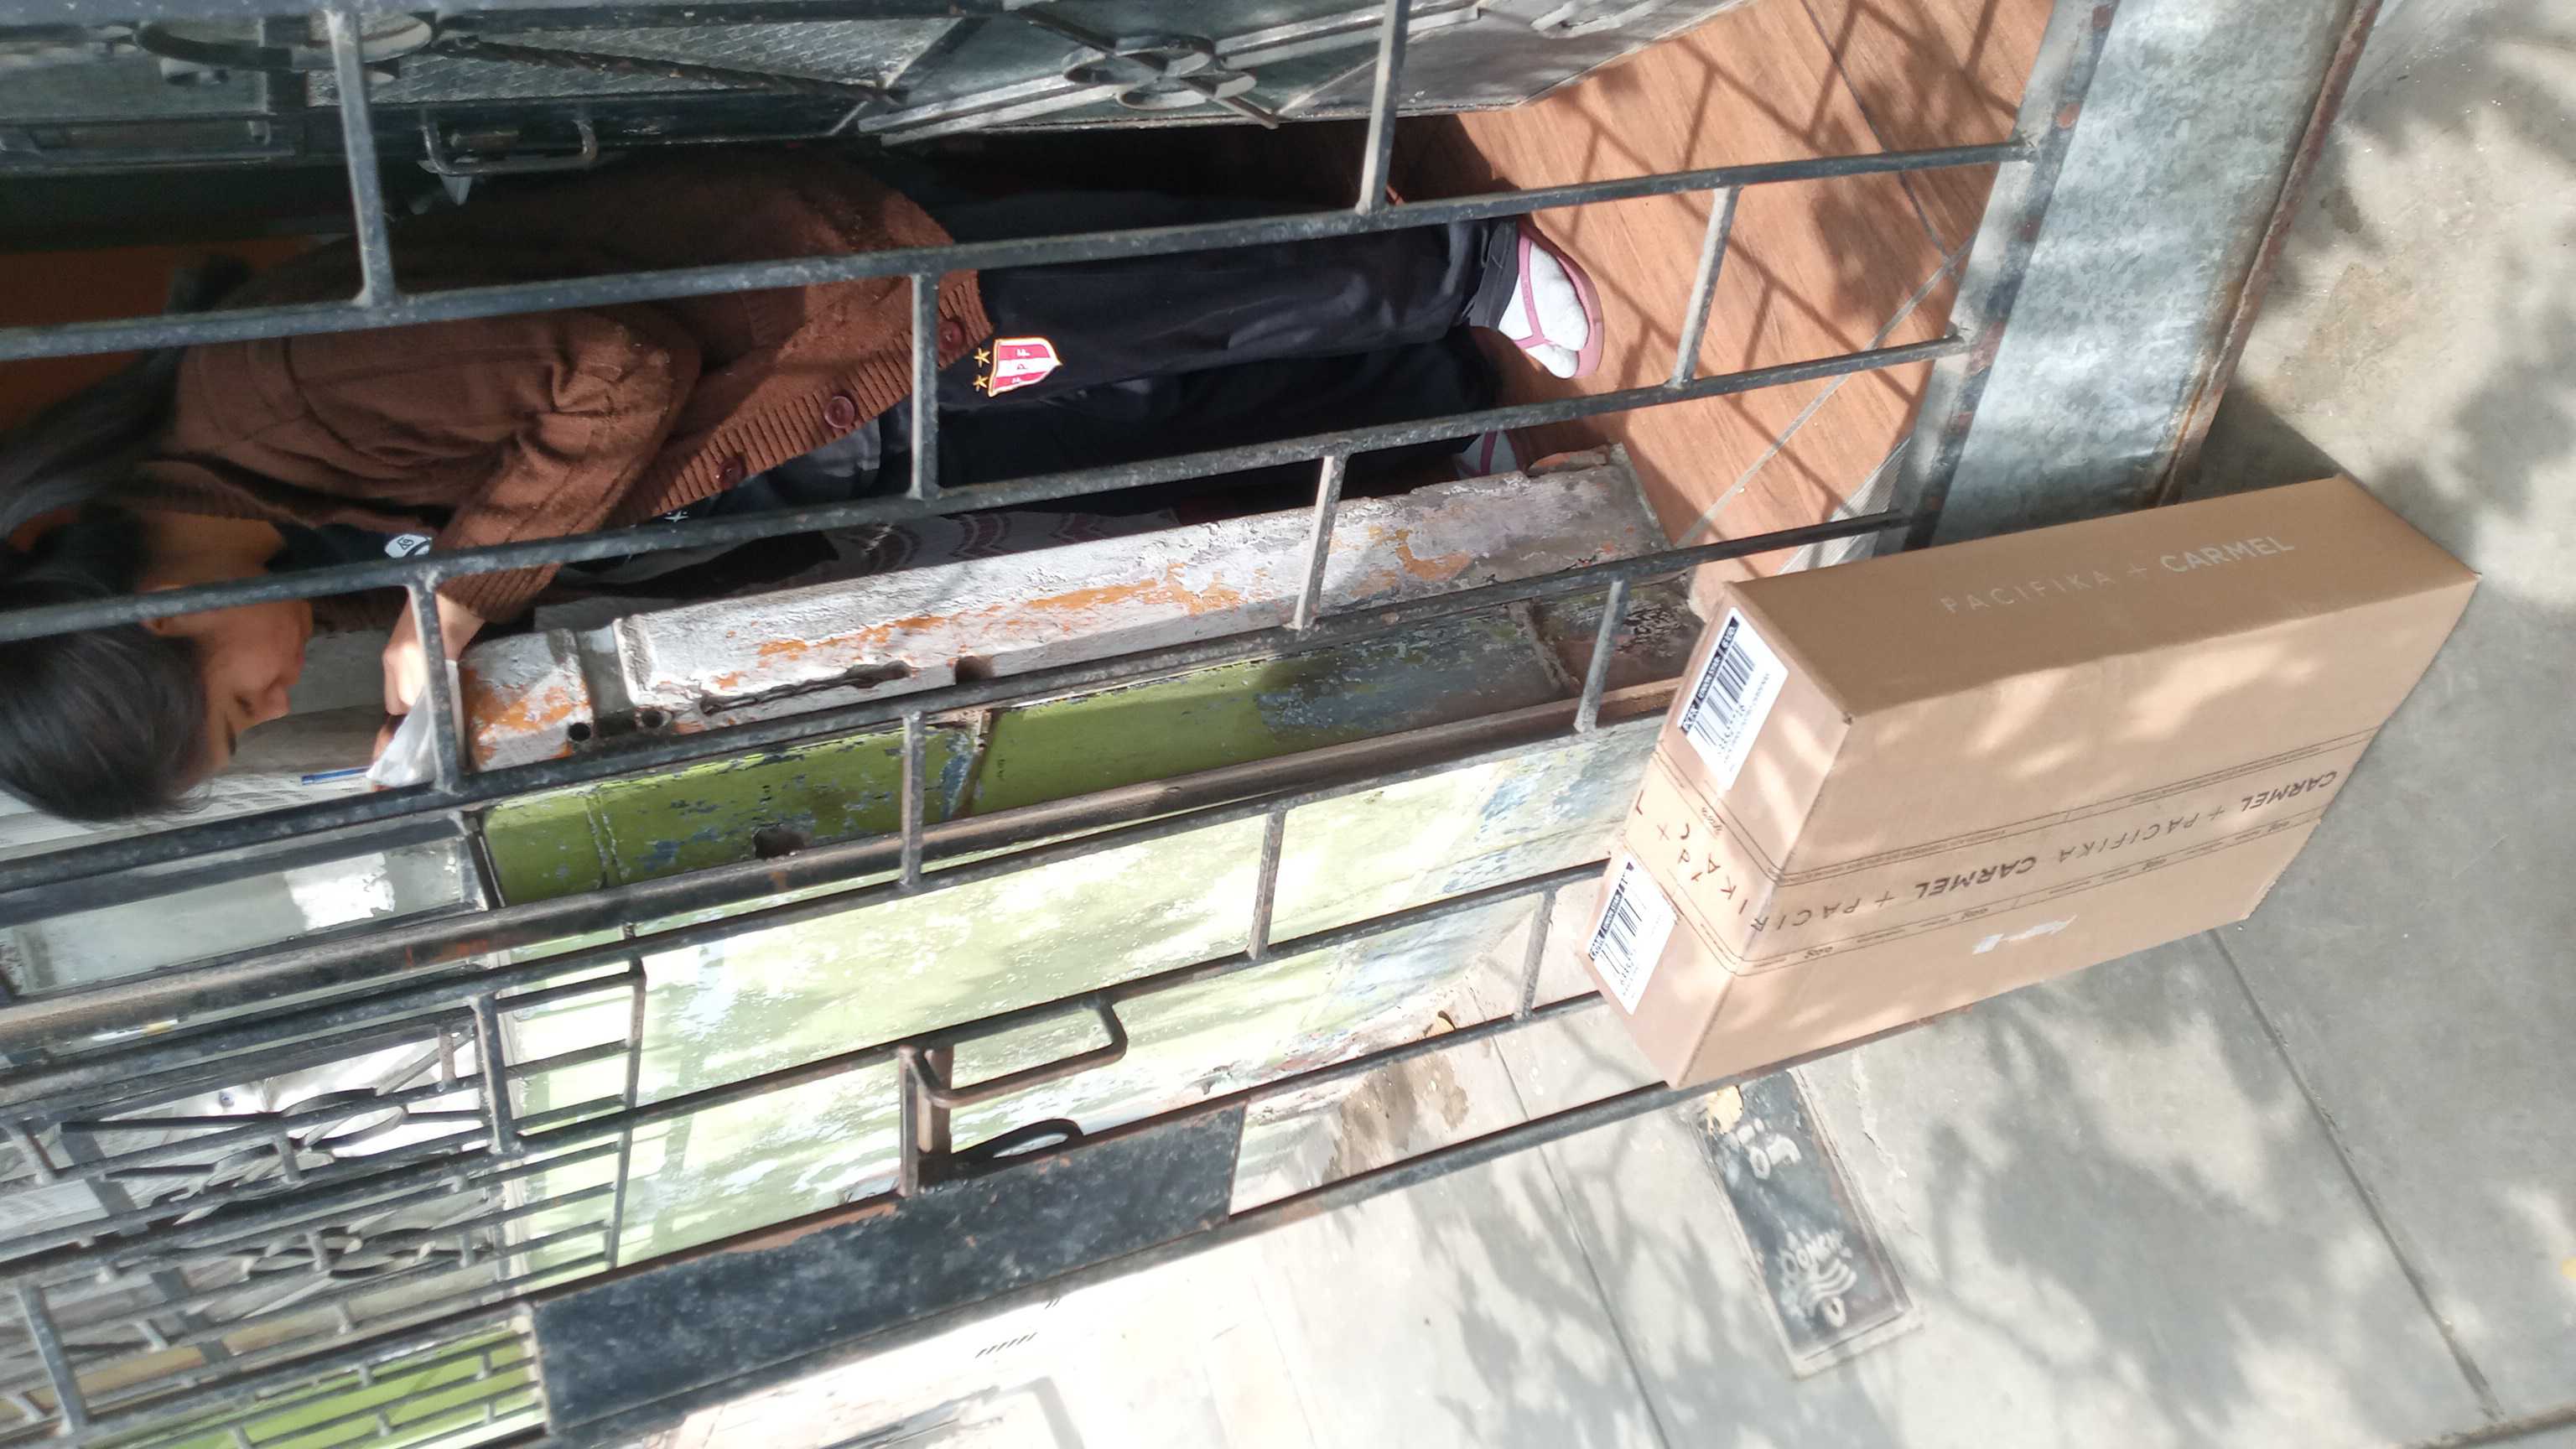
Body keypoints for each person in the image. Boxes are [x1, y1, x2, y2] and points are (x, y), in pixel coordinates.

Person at [0, 148, 1607, 823]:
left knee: (1147, 306)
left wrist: (463, 597)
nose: (282, 697)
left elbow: (612, 364)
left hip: (812, 311)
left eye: (237, 708)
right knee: (1138, 397)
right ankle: (1439, 370)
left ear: (163, 614)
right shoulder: (276, 520)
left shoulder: (275, 397)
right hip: (811, 426)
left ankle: (1461, 264)